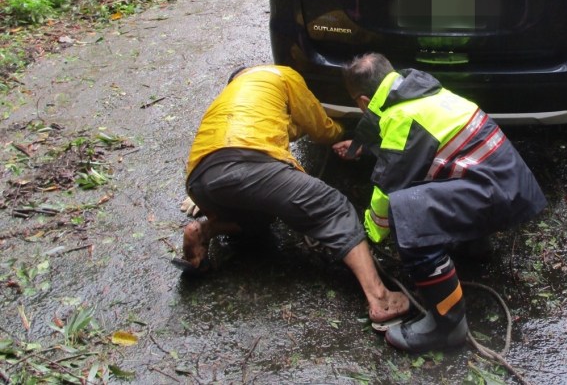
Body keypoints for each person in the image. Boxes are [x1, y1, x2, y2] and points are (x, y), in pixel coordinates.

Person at [334, 53, 547, 353]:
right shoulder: (418, 89)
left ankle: (447, 325)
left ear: (364, 101)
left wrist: (370, 233)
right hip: (507, 184)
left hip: (496, 195)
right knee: (433, 180)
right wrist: (361, 148)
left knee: (407, 212)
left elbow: (387, 188)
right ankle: (474, 245)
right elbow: (403, 142)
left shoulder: (403, 117)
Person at [174, 64, 409, 325]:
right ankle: (380, 297)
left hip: (200, 180)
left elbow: (284, 128)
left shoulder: (225, 99)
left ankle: (205, 230)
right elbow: (319, 126)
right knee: (334, 207)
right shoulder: (282, 75)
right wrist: (343, 133)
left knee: (261, 219)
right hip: (247, 162)